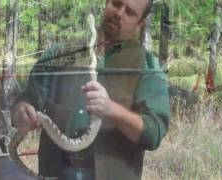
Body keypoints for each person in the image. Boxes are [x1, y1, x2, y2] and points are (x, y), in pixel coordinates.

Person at [11, 0, 170, 179]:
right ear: (107, 3)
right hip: (55, 172)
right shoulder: (61, 54)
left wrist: (112, 110)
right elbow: (29, 98)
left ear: (139, 24)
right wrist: (22, 110)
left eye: (130, 12)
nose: (119, 13)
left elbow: (153, 134)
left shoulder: (146, 67)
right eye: (117, 4)